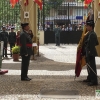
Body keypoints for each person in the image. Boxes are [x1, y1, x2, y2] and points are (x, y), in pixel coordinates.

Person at [82, 20, 99, 86]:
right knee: (89, 67)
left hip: (90, 53)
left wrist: (90, 53)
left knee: (92, 67)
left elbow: (92, 45)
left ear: (91, 27)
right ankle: (90, 78)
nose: (86, 27)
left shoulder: (92, 34)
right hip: (88, 52)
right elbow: (96, 43)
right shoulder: (90, 33)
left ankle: (94, 81)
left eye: (87, 26)